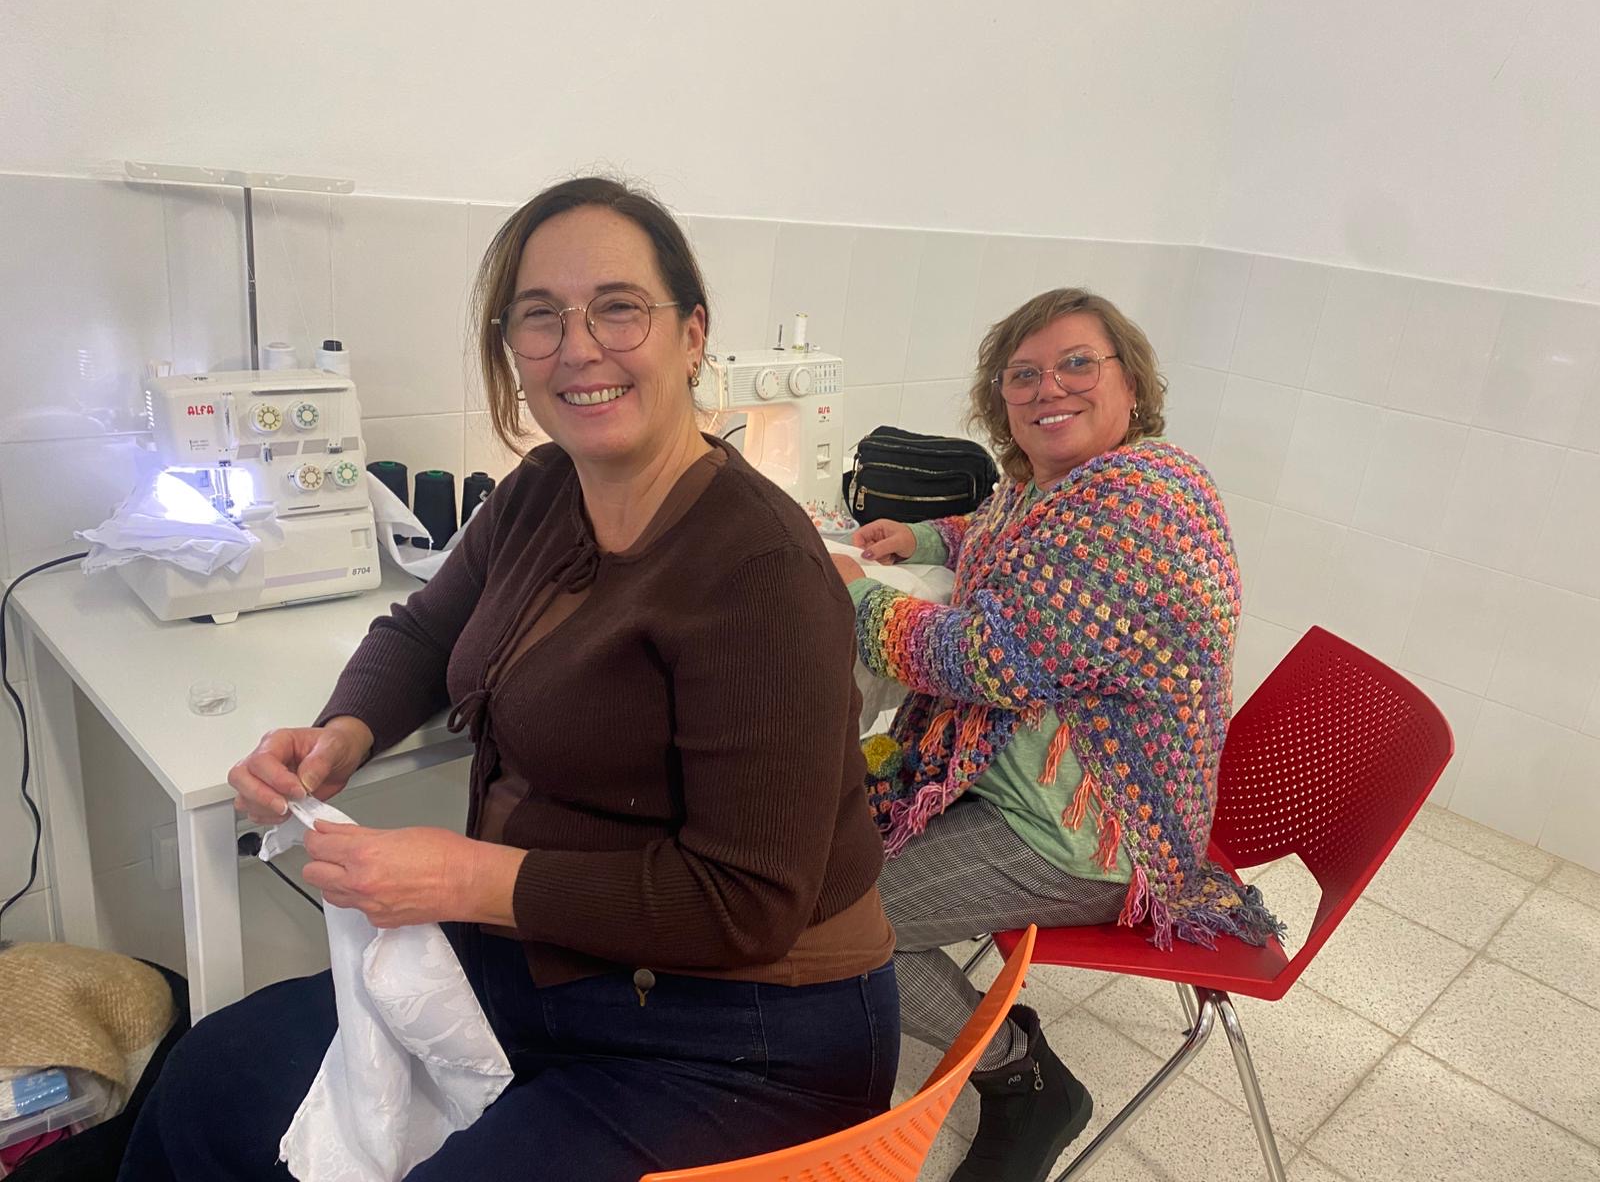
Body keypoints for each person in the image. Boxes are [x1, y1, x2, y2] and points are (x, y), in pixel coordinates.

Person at [120, 177, 899, 1181]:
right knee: (214, 1076)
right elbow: (422, 631)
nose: (578, 346)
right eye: (540, 316)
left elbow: (744, 903)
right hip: (551, 962)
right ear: (512, 351)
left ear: (692, 335)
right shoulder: (541, 492)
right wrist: (342, 734)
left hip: (745, 1029)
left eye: (618, 307)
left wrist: (461, 878)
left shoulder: (759, 571)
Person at [831, 288, 1279, 1182]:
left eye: (1077, 364)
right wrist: (921, 537)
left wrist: (851, 591)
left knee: (839, 919)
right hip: (1028, 782)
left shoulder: (1142, 508)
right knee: (827, 850)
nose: (1049, 388)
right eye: (1023, 374)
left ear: (1130, 383)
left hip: (1099, 830)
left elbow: (986, 659)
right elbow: (1002, 530)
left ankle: (1024, 1079)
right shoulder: (1062, 490)